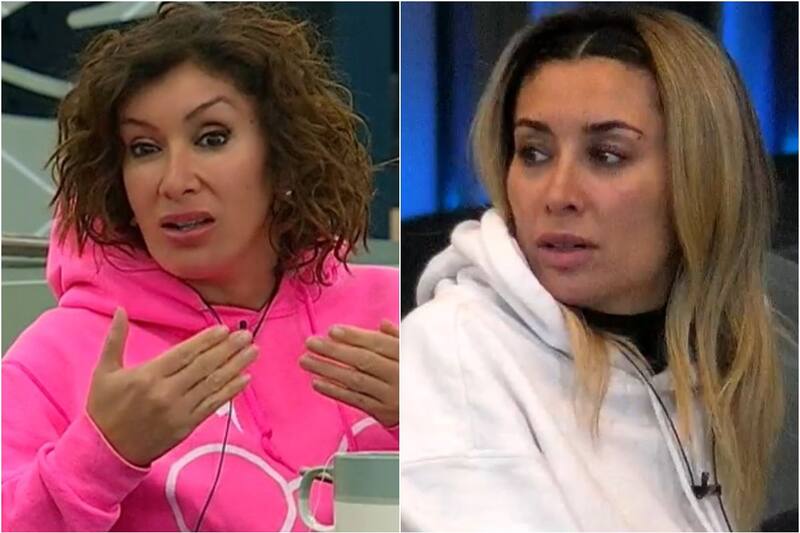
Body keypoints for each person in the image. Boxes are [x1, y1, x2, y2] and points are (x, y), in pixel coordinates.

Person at [2, 4, 398, 531]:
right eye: (144, 148)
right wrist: (99, 457)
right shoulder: (56, 355)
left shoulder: (399, 312)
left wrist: (434, 423)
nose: (174, 181)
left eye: (212, 138)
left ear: (283, 157)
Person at [401, 6, 785, 532]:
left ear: (701, 173)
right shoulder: (456, 348)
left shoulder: (724, 354)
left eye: (605, 155)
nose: (558, 194)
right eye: (533, 153)